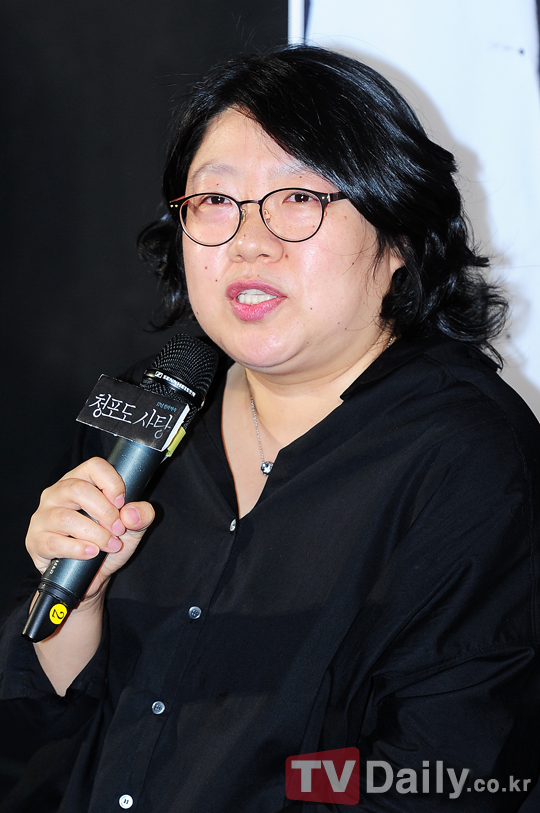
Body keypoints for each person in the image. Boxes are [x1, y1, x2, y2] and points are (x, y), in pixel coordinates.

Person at [1, 44, 539, 812]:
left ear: (398, 236)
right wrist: (74, 611)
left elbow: (447, 773)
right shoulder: (152, 406)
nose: (249, 241)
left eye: (298, 198)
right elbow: (40, 738)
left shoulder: (467, 458)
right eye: (215, 201)